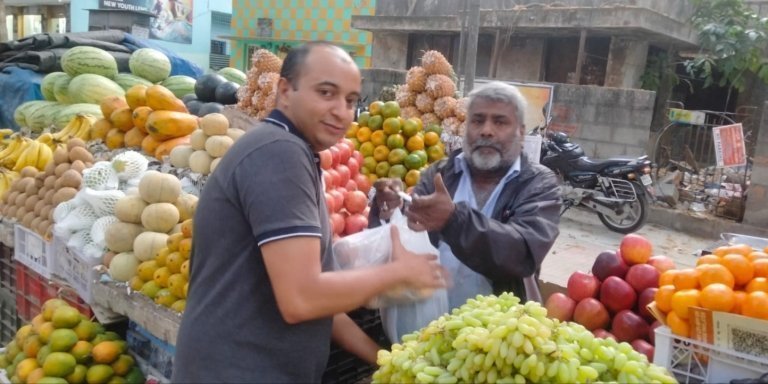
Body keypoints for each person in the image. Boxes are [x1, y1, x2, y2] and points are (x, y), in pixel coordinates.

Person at [172, 42, 448, 383]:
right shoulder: (279, 153)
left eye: (350, 100)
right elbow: (301, 298)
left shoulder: (288, 150)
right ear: (285, 91)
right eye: (326, 93)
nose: (341, 111)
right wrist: (397, 273)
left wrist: (389, 361)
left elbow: (319, 303)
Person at [370, 81, 562, 312]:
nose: (486, 130)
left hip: (497, 334)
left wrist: (453, 220)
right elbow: (404, 239)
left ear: (521, 132)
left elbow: (521, 254)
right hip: (428, 325)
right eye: (478, 120)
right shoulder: (440, 174)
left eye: (500, 121)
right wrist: (389, 209)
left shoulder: (537, 184)